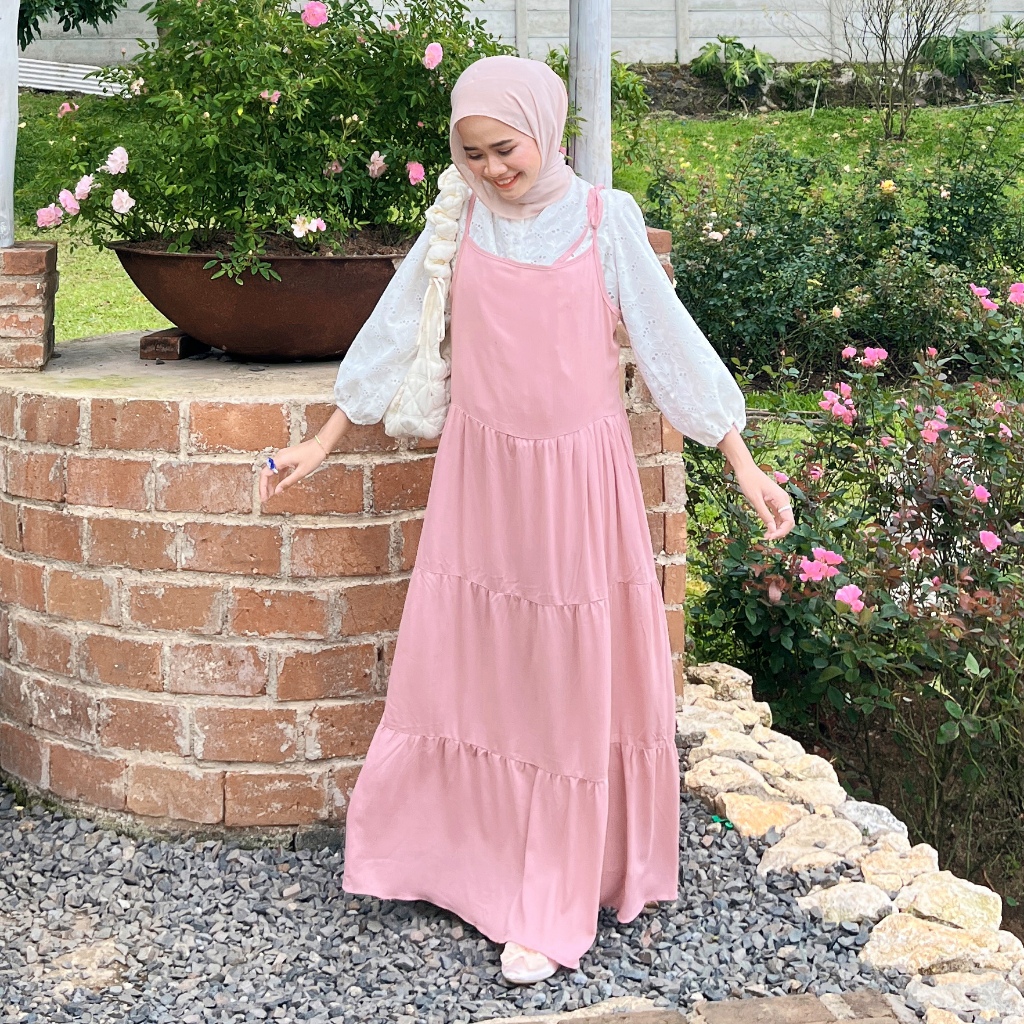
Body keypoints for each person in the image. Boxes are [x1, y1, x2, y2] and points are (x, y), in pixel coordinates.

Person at [259, 54, 794, 986]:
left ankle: (551, 890)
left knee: (562, 677)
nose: (492, 169)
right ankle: (457, 856)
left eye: (504, 148)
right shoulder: (457, 222)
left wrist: (740, 458)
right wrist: (324, 439)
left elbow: (668, 341)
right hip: (482, 484)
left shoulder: (602, 219)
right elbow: (396, 331)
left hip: (578, 490)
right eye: (471, 154)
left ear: (544, 129)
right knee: (476, 670)